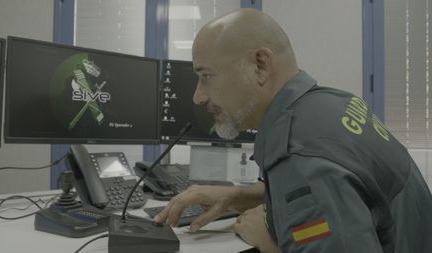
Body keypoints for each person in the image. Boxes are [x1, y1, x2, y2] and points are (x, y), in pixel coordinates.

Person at [154, 8, 432, 253]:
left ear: (260, 65)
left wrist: (268, 245)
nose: (198, 97)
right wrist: (235, 197)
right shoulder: (330, 103)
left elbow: (314, 178)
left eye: (206, 76)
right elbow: (350, 193)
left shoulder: (299, 152)